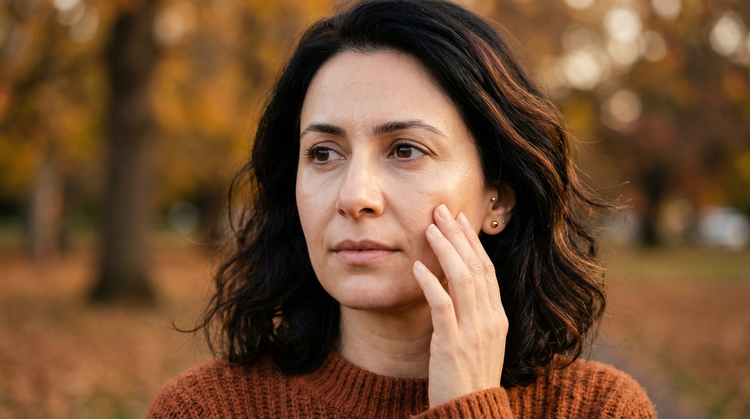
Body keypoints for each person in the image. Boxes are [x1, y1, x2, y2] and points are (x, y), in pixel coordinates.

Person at [148, 0, 656, 417]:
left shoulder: (599, 408)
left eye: (405, 150)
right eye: (324, 154)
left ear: (496, 197)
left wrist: (468, 408)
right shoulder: (205, 408)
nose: (355, 197)